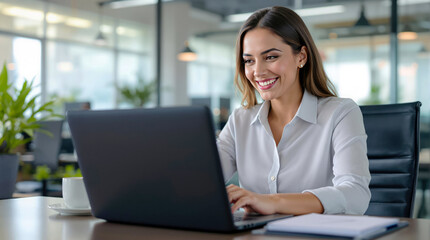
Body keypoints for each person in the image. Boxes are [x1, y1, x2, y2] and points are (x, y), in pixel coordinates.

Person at [217, 6, 371, 216]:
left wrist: (272, 202)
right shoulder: (240, 120)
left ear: (302, 57)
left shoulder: (340, 113)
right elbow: (204, 181)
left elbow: (356, 195)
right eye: (249, 60)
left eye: (270, 57)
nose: (258, 71)